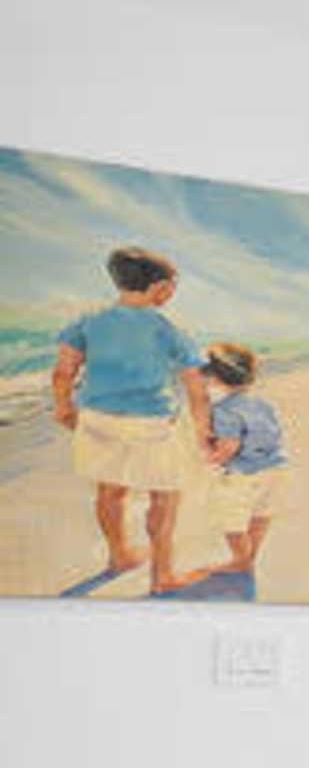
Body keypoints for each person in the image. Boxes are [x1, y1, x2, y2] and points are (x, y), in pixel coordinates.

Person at [48, 244, 210, 592]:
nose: (171, 294)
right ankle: (162, 575)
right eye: (171, 287)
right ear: (159, 286)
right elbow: (196, 386)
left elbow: (63, 372)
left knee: (110, 488)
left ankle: (118, 555)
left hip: (96, 419)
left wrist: (63, 407)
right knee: (164, 495)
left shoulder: (88, 321)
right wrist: (202, 429)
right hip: (150, 423)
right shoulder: (168, 328)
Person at [199, 342, 288, 577]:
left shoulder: (224, 410)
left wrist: (211, 457)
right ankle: (250, 556)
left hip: (243, 474)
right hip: (274, 469)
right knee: (260, 515)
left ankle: (240, 560)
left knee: (232, 522)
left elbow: (230, 447)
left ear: (215, 379)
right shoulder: (263, 404)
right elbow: (274, 434)